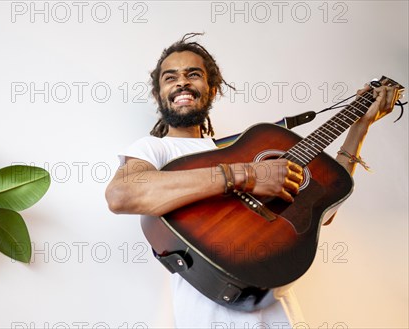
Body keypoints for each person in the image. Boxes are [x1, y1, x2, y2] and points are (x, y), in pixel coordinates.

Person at [104, 33, 399, 328]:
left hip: (281, 316)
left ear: (212, 88)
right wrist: (246, 176)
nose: (182, 82)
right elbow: (122, 194)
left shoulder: (248, 145)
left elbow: (325, 205)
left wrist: (359, 128)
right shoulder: (156, 149)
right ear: (159, 94)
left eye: (193, 74)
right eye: (171, 77)